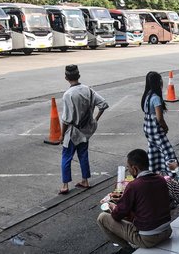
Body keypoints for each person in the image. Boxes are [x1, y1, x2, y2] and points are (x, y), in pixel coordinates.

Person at [97, 149, 172, 253]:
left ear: (135, 168)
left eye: (128, 168)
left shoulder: (134, 185)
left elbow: (117, 215)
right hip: (167, 231)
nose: (129, 171)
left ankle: (128, 249)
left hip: (148, 239)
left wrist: (112, 207)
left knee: (102, 218)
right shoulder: (161, 179)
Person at [58, 65, 109, 194]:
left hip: (72, 131)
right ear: (79, 76)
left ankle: (65, 185)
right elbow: (103, 104)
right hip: (86, 130)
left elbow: (66, 119)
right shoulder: (88, 90)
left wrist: (61, 134)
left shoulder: (68, 94)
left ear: (66, 78)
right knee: (83, 155)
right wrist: (95, 119)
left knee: (66, 156)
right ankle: (85, 180)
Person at [141, 71, 177, 174]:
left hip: (147, 127)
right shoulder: (156, 98)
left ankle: (154, 170)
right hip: (155, 128)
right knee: (167, 151)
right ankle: (173, 174)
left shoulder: (146, 95)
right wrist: (165, 127)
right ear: (158, 82)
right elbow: (159, 118)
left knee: (153, 150)